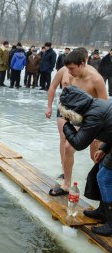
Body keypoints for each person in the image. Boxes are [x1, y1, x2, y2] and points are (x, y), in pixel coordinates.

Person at [45, 49, 107, 196]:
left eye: (72, 69)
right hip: (78, 118)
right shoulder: (72, 77)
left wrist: (99, 134)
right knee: (68, 146)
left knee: (95, 156)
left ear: (82, 63)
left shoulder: (96, 79)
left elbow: (105, 106)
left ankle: (102, 187)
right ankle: (66, 184)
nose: (70, 72)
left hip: (95, 120)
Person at [59, 86, 112, 235]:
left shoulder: (93, 115)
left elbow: (79, 143)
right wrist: (104, 149)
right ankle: (103, 212)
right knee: (101, 168)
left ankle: (111, 223)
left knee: (104, 177)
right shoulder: (96, 105)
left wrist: (66, 126)